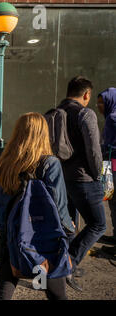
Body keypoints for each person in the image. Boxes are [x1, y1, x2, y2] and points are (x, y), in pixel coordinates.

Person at [0, 112, 75, 300]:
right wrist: (69, 231)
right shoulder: (50, 164)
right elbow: (58, 205)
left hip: (9, 238)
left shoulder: (3, 162)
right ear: (43, 134)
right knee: (55, 294)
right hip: (42, 241)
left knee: (2, 292)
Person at [55, 76, 106, 292]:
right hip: (84, 179)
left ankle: (62, 265)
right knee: (98, 224)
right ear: (86, 94)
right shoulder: (86, 114)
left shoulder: (56, 113)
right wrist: (99, 176)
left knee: (68, 226)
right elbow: (94, 151)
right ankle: (69, 263)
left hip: (62, 178)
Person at [97, 87, 116, 246]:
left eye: (102, 102)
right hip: (109, 164)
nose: (99, 106)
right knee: (110, 199)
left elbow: (107, 144)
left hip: (111, 165)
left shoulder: (113, 118)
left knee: (112, 198)